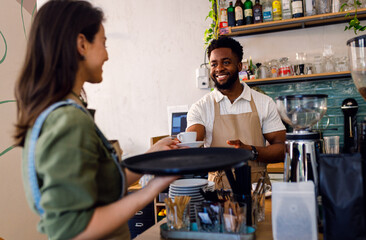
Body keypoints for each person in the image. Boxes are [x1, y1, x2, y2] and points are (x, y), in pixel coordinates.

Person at [14, 1, 179, 239]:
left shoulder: (57, 111)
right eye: (103, 43)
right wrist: (155, 187)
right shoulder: (68, 120)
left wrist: (151, 158)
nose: (107, 55)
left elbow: (103, 184)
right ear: (82, 44)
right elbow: (75, 230)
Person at [186, 36, 286, 189]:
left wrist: (251, 151)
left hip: (257, 190)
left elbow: (282, 149)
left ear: (239, 66)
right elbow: (192, 140)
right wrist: (185, 146)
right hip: (217, 193)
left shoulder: (264, 102)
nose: (219, 69)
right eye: (214, 64)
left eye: (226, 62)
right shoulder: (201, 107)